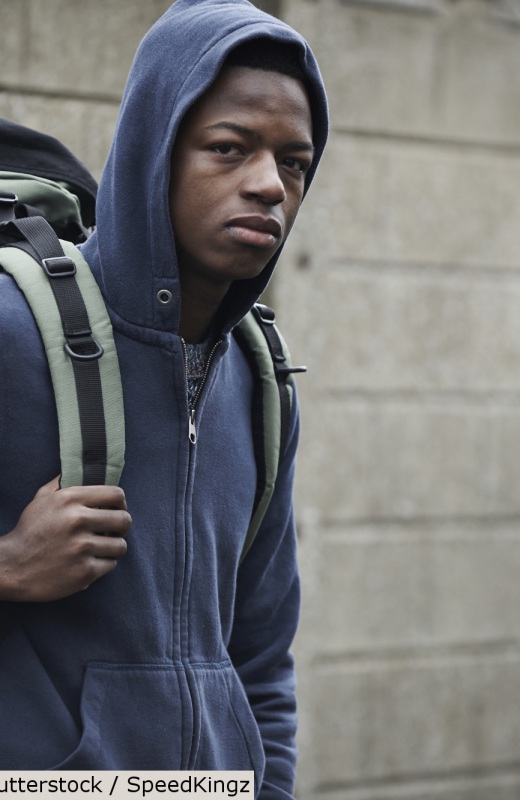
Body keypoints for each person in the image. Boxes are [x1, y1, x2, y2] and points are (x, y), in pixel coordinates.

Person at [0, 0, 328, 796]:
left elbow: (259, 661)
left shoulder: (261, 380)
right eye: (229, 148)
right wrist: (6, 568)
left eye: (294, 162)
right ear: (156, 152)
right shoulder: (11, 334)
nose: (268, 186)